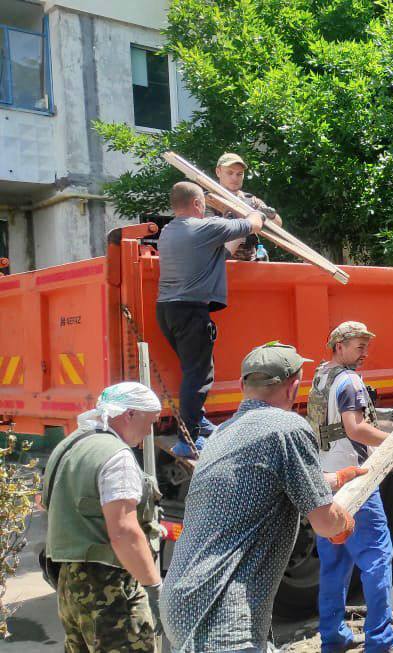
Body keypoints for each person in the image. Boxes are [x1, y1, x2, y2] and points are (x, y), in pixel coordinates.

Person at [160, 342, 362, 653]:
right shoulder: (288, 427)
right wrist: (343, 523)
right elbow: (325, 523)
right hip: (223, 612)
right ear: (294, 387)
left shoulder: (222, 433)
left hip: (182, 602)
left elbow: (275, 479)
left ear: (242, 385)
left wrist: (336, 479)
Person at [306, 322, 393, 653]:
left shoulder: (322, 376)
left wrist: (379, 411)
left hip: (323, 483)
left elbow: (334, 418)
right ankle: (381, 641)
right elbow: (355, 429)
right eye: (359, 347)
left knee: (334, 563)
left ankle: (333, 637)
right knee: (376, 558)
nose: (365, 353)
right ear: (339, 345)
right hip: (354, 484)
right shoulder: (350, 380)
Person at [42, 382, 164, 653]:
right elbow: (123, 531)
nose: (148, 432)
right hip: (109, 587)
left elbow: (49, 506)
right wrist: (154, 586)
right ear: (129, 414)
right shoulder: (116, 455)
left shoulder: (69, 444)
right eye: (150, 421)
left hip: (68, 583)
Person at [156, 181, 266, 454]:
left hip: (168, 310)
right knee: (199, 374)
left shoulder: (169, 231)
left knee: (194, 369)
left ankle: (198, 420)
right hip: (191, 311)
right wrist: (255, 211)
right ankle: (189, 440)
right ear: (196, 204)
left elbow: (220, 254)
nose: (206, 208)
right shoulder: (204, 227)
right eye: (203, 204)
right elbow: (254, 224)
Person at [205, 152, 283, 261]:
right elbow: (208, 233)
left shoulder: (251, 201)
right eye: (230, 173)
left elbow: (277, 225)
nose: (235, 178)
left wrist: (271, 215)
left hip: (250, 265)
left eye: (239, 174)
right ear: (218, 172)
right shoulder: (209, 201)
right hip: (219, 264)